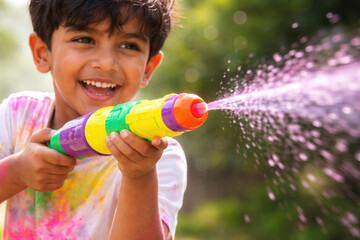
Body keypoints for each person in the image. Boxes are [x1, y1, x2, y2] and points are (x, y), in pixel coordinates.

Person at [0, 0, 187, 239]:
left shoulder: (159, 155)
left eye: (129, 45)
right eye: (85, 40)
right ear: (42, 53)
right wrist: (16, 171)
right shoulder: (19, 115)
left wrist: (139, 175)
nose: (106, 63)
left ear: (148, 68)